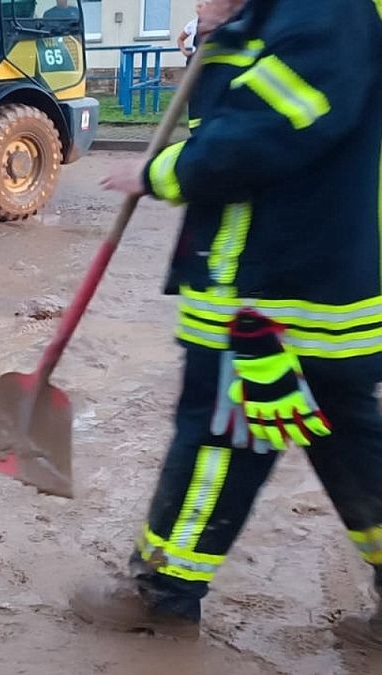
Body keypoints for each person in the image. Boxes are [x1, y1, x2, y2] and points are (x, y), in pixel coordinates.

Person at [71, 0, 382, 648]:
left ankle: (163, 589)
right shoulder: (293, 15)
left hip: (268, 300)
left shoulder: (321, 12)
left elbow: (259, 134)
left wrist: (162, 172)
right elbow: (226, 112)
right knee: (351, 447)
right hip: (315, 291)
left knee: (218, 440)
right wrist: (216, 39)